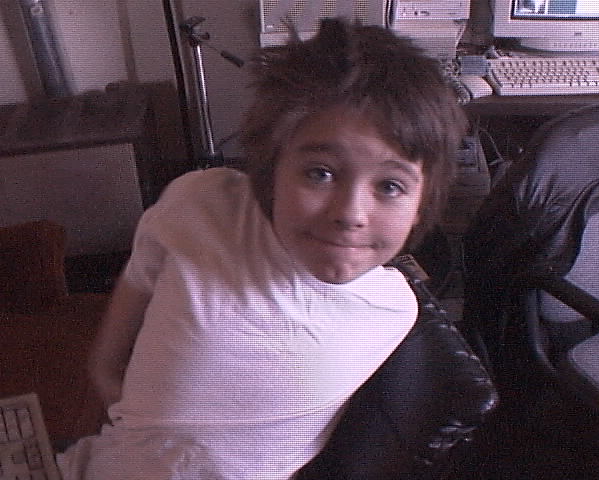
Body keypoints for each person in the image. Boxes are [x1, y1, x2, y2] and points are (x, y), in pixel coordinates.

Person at [57, 18, 467, 479]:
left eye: (390, 186)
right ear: (272, 168)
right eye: (320, 173)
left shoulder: (395, 310)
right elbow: (114, 342)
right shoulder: (202, 206)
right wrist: (128, 422)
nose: (350, 213)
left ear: (420, 207)